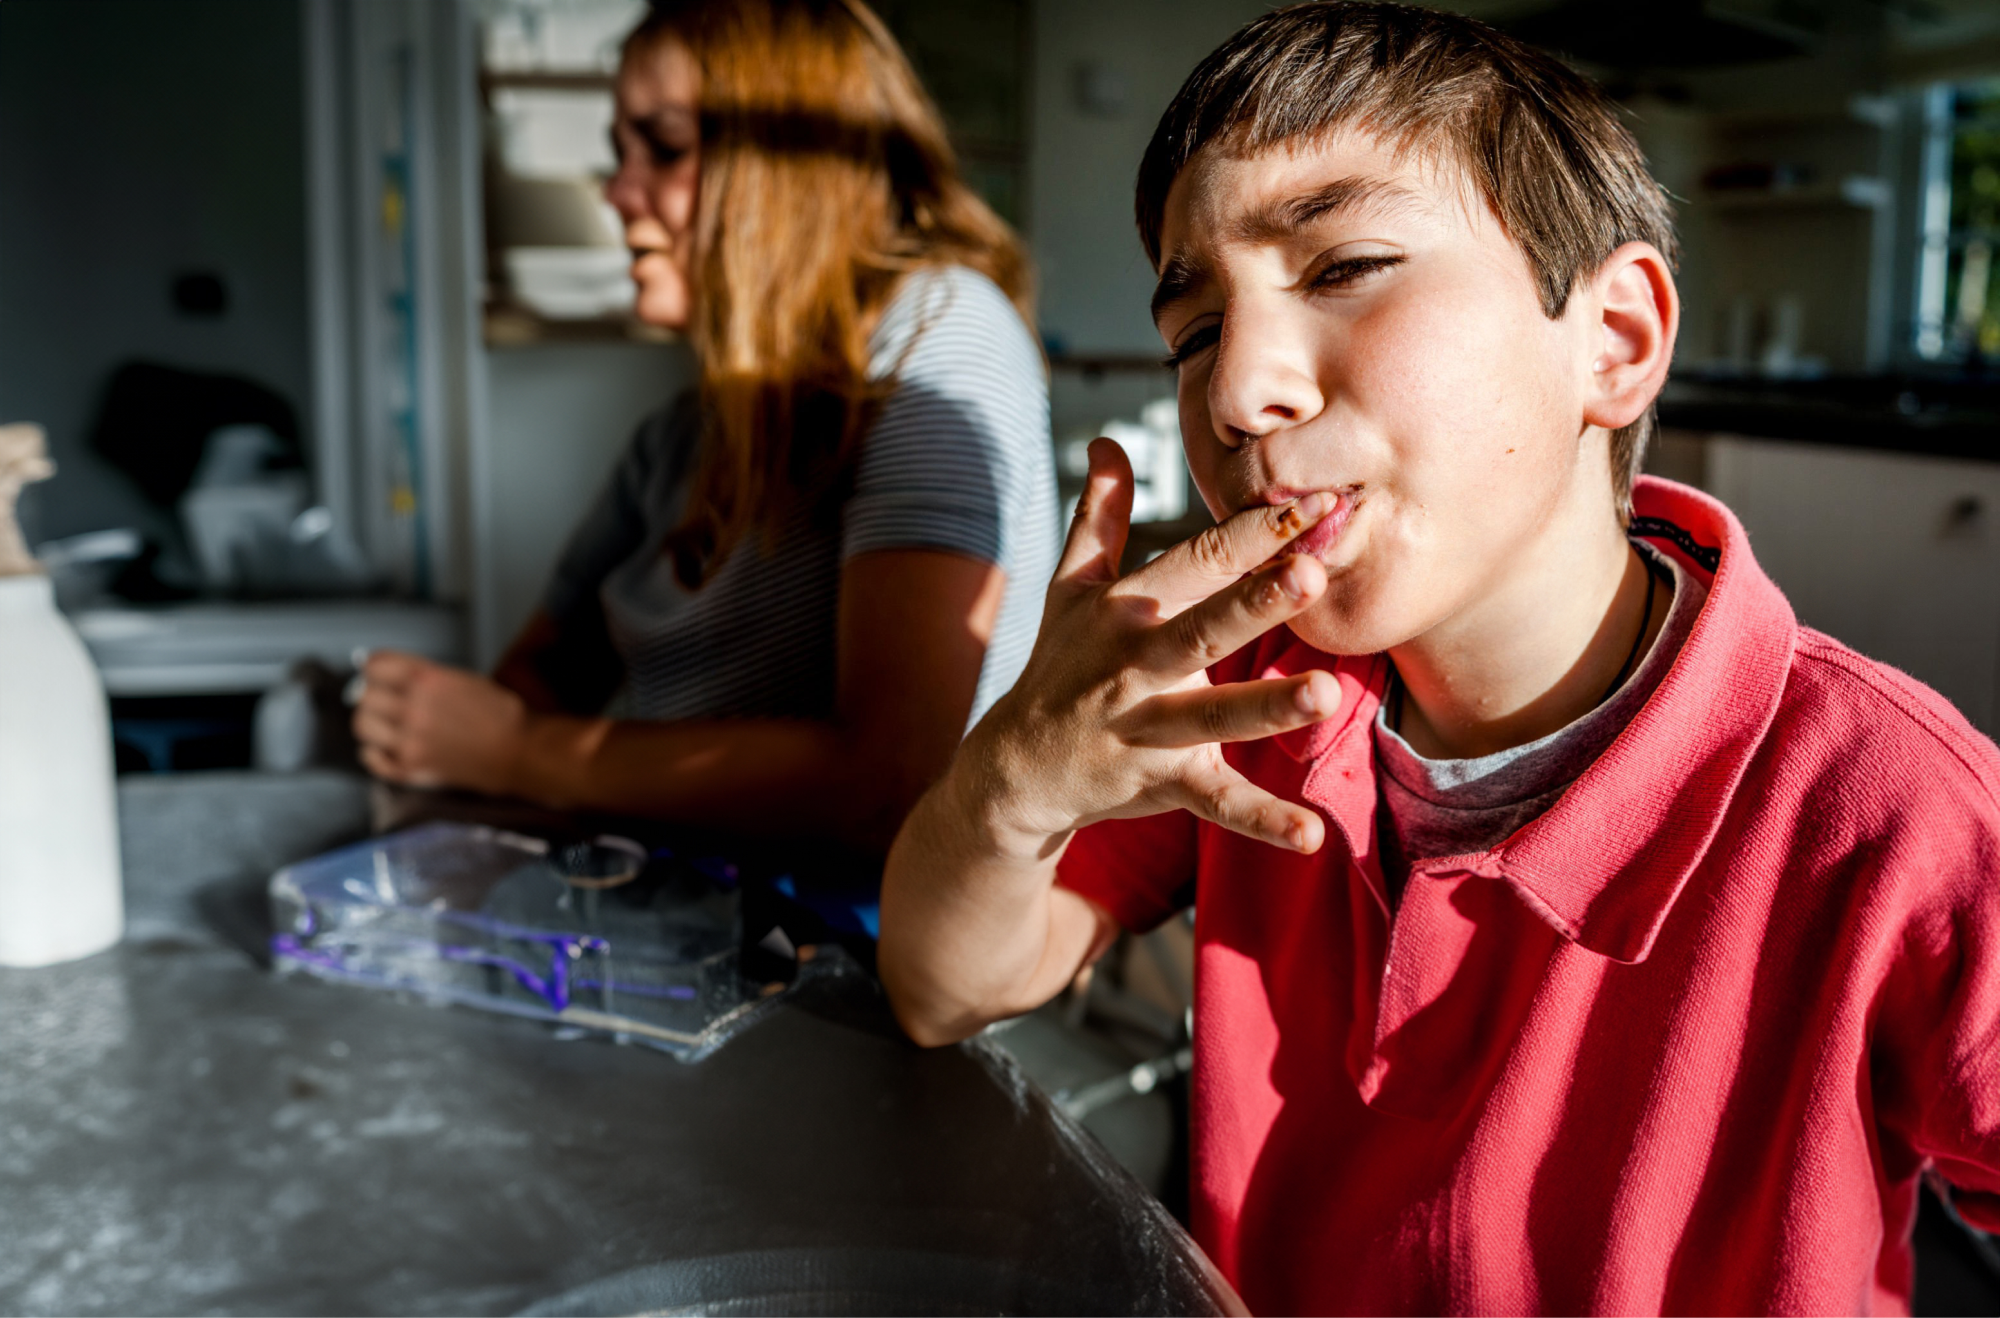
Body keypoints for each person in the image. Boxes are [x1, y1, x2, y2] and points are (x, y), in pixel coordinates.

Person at [876, 4, 2000, 1313]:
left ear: (1616, 339)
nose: (1237, 391)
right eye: (1194, 331)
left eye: (1344, 264)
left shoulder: (1893, 810)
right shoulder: (1247, 703)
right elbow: (937, 984)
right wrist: (1015, 779)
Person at [353, 0, 1057, 852]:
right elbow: (538, 677)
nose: (615, 191)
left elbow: (892, 777)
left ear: (795, 163)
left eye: (667, 146)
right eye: (620, 152)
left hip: (856, 953)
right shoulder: (674, 440)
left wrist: (515, 754)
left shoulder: (942, 333)